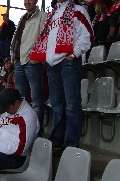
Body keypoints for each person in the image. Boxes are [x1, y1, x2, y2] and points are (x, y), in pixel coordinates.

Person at [29, 0, 93, 154]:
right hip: (52, 65)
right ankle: (57, 140)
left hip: (68, 62)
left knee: (72, 105)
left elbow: (88, 35)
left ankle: (71, 143)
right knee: (57, 105)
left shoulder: (79, 10)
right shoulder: (52, 15)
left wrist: (74, 54)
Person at [10, 0, 47, 137]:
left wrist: (37, 56)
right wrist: (13, 57)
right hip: (19, 61)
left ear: (36, 1)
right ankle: (23, 131)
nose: (27, 2)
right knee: (20, 100)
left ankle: (36, 133)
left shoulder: (43, 16)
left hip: (32, 62)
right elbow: (17, 41)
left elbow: (45, 38)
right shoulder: (23, 18)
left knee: (36, 100)